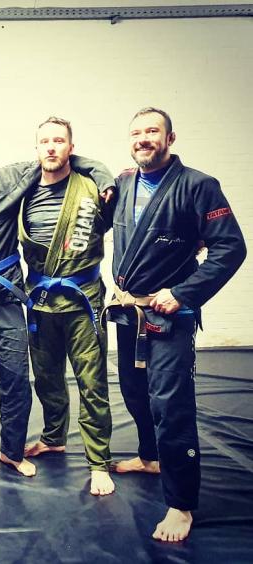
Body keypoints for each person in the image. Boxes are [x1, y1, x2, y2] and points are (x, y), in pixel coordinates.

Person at [0, 131, 113, 475]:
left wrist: (103, 176)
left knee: (15, 377)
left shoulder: (9, 178)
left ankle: (12, 452)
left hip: (5, 297)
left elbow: (57, 157)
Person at [106, 107, 246, 541]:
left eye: (153, 131)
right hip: (130, 311)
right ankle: (150, 458)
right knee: (134, 391)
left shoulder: (198, 186)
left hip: (169, 315)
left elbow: (231, 248)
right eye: (136, 132)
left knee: (170, 405)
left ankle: (181, 504)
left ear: (170, 138)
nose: (143, 138)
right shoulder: (124, 183)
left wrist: (184, 293)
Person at [20, 117, 114, 496]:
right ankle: (53, 438)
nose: (51, 147)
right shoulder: (24, 190)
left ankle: (99, 462)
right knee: (46, 378)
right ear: (36, 148)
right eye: (45, 141)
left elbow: (125, 225)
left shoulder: (93, 188)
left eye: (59, 141)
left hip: (82, 300)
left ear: (71, 148)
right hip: (40, 299)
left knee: (92, 382)